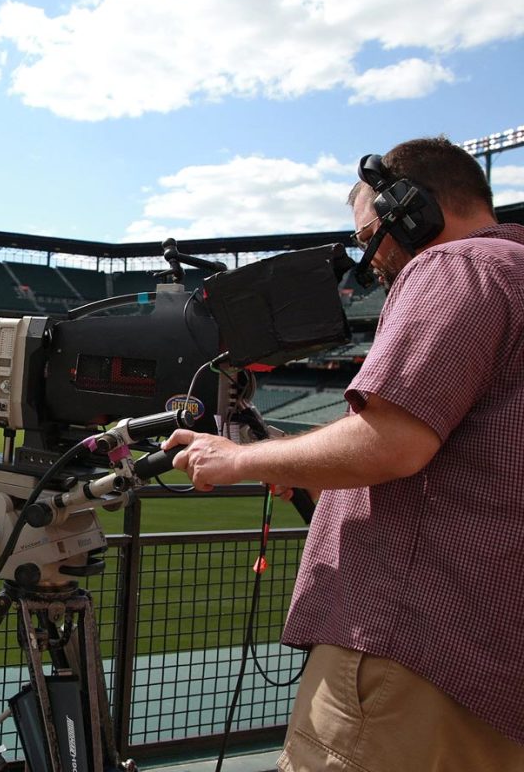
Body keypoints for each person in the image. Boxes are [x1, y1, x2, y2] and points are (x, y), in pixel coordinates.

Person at [162, 137, 524, 769]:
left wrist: (239, 460)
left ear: (415, 210)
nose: (369, 259)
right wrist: (289, 459)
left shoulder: (454, 267)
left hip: (413, 652)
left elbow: (392, 443)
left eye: (370, 234)